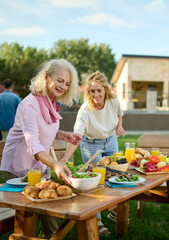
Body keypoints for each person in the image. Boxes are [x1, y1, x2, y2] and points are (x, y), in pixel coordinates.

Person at [0, 59, 82, 238]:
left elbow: (43, 128)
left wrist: (62, 134)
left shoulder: (50, 102)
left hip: (38, 165)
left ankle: (53, 236)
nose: (63, 86)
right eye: (60, 80)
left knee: (50, 204)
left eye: (67, 83)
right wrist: (56, 165)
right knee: (28, 212)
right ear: (46, 77)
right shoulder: (30, 104)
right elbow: (33, 144)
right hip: (19, 165)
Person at [61, 71, 125, 236]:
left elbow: (119, 115)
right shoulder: (85, 110)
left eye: (99, 91)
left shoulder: (113, 101)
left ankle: (113, 211)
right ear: (88, 92)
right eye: (92, 91)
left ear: (105, 90)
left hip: (110, 141)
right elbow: (77, 135)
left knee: (115, 175)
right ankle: (96, 219)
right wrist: (65, 158)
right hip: (90, 144)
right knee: (95, 182)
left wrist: (119, 126)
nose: (96, 95)